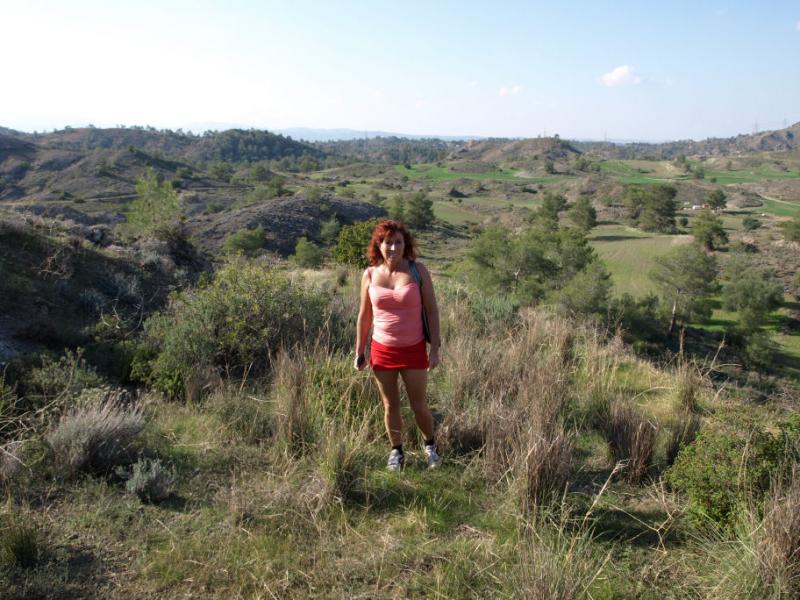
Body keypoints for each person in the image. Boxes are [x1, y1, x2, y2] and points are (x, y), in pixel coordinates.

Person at [354, 220, 441, 471]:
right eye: (388, 242)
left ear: (406, 244)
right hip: (382, 350)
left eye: (399, 242)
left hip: (413, 348)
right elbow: (364, 316)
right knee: (390, 405)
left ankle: (430, 445)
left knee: (418, 405)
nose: (393, 248)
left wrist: (435, 348)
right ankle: (397, 451)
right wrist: (359, 350)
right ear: (378, 245)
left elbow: (432, 311)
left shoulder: (417, 271)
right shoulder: (369, 275)